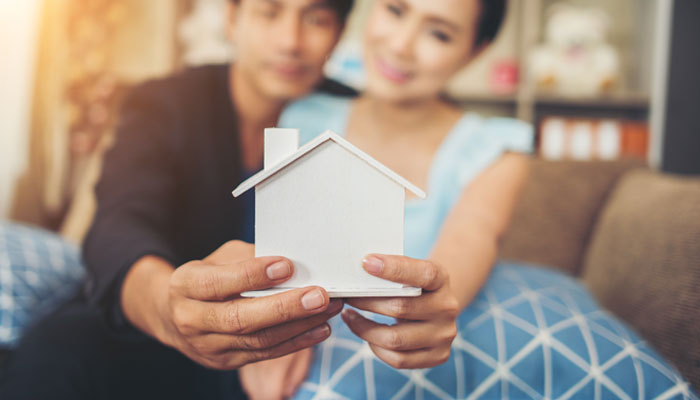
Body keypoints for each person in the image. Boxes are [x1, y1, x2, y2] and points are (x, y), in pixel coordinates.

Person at [0, 0, 357, 399]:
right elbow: (119, 222)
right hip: (143, 329)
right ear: (232, 19)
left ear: (339, 33)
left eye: (315, 19)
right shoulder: (163, 102)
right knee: (59, 350)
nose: (290, 41)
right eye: (269, 12)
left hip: (285, 351)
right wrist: (168, 308)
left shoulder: (360, 115)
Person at [238, 0, 531, 397]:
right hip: (307, 346)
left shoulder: (495, 151)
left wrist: (429, 310)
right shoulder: (303, 118)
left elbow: (471, 238)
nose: (401, 45)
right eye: (395, 10)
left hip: (424, 360)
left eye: (438, 33)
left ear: (475, 52)